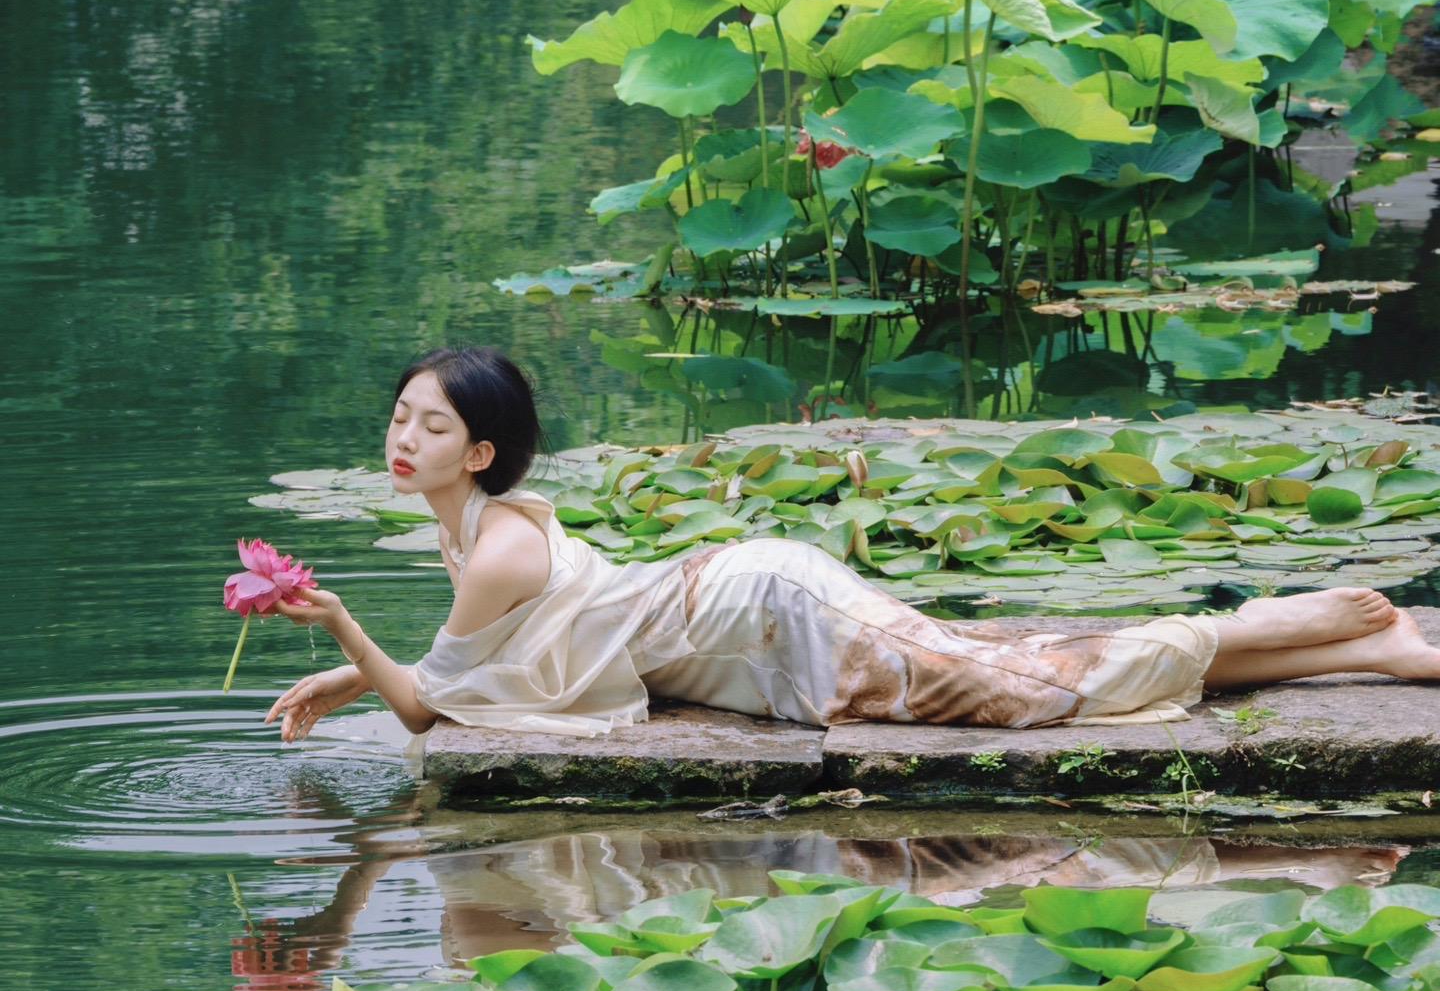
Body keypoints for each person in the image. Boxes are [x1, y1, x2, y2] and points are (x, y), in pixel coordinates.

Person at [264, 345, 1440, 747]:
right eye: (401, 416)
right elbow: (462, 673)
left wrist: (340, 629)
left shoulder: (501, 549)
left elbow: (432, 710)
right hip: (753, 621)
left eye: (431, 424)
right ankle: (1363, 651)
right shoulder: (474, 534)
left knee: (1031, 694)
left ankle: (1302, 626)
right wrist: (343, 668)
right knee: (1019, 669)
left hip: (768, 615)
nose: (402, 436)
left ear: (482, 452)